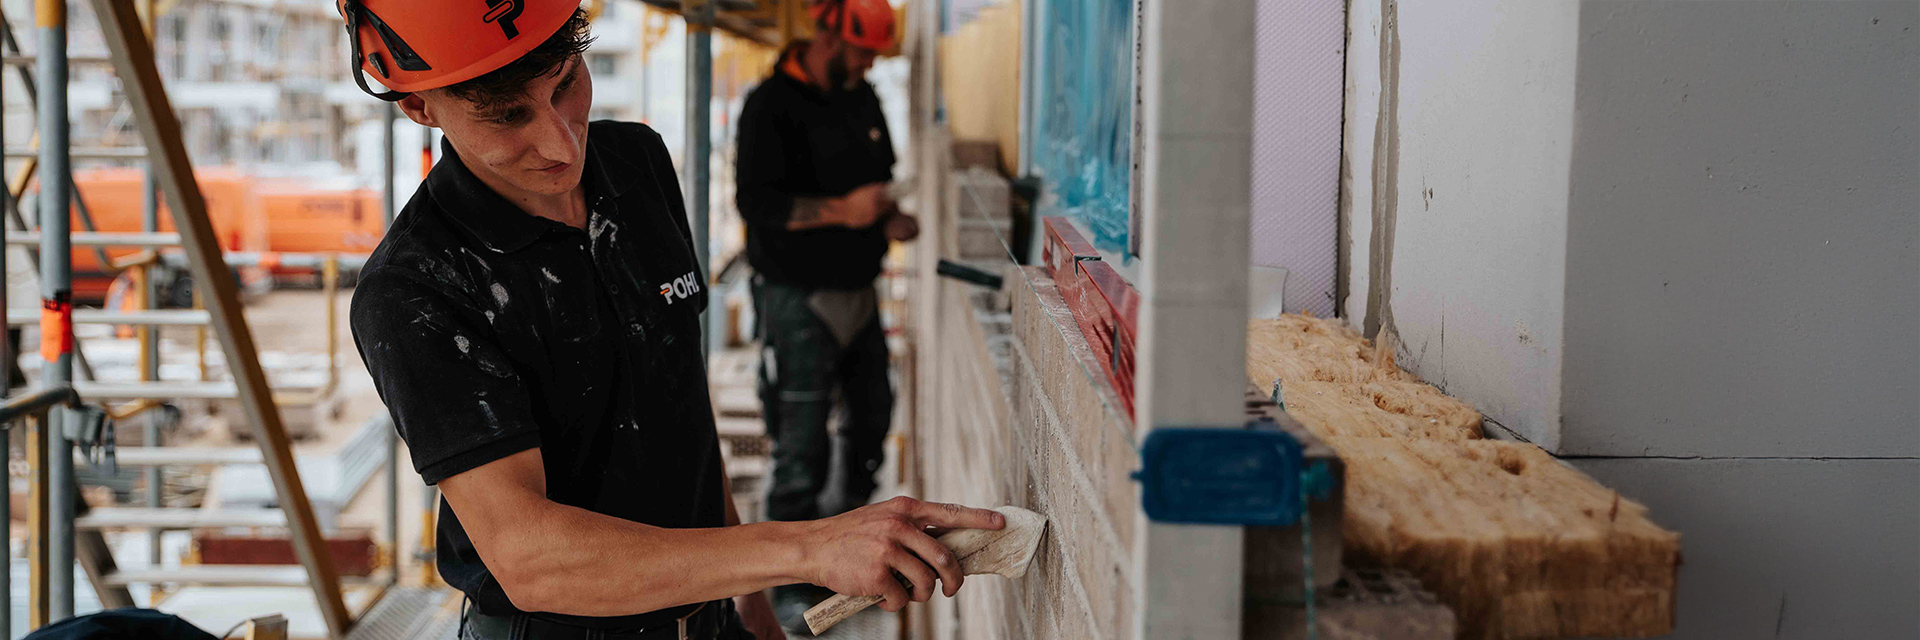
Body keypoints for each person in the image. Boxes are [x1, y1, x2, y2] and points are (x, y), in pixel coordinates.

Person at [341, 2, 997, 639]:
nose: (561, 141)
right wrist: (802, 549)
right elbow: (531, 560)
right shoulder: (417, 289)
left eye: (567, 83)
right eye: (508, 116)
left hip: (706, 612)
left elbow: (678, 400)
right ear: (421, 106)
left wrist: (749, 594)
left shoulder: (636, 164)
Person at [732, 0, 919, 630]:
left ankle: (849, 549)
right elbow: (757, 204)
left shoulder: (861, 98)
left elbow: (879, 181)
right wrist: (844, 211)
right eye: (862, 52)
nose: (868, 64)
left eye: (873, 56)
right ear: (827, 35)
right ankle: (788, 580)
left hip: (858, 291)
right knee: (800, 442)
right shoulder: (770, 106)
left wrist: (890, 219)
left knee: (871, 419)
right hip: (797, 298)